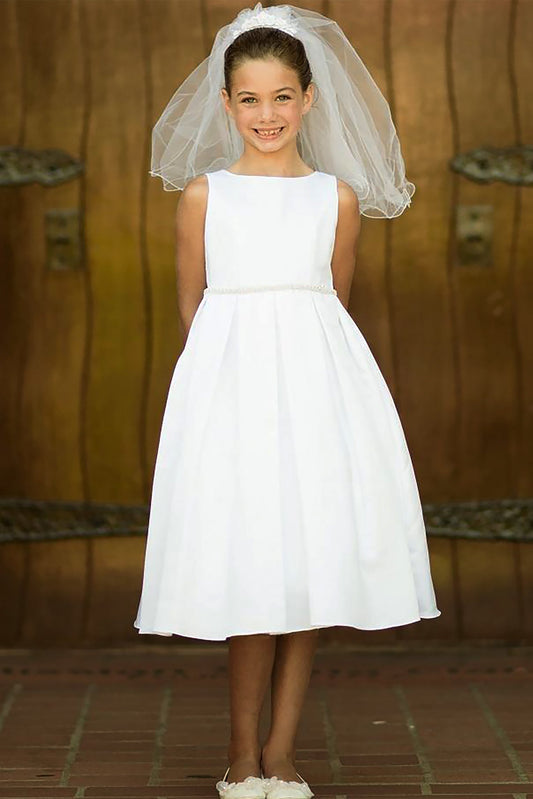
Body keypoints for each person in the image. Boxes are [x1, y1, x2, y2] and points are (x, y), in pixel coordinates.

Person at [134, 4, 441, 799]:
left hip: (316, 390)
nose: (264, 114)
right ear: (225, 104)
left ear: (308, 99)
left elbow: (330, 300)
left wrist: (311, 382)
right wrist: (222, 396)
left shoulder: (334, 199)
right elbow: (192, 309)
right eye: (248, 99)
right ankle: (241, 754)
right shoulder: (205, 196)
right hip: (232, 393)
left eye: (280, 97)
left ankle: (282, 751)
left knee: (308, 563)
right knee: (251, 563)